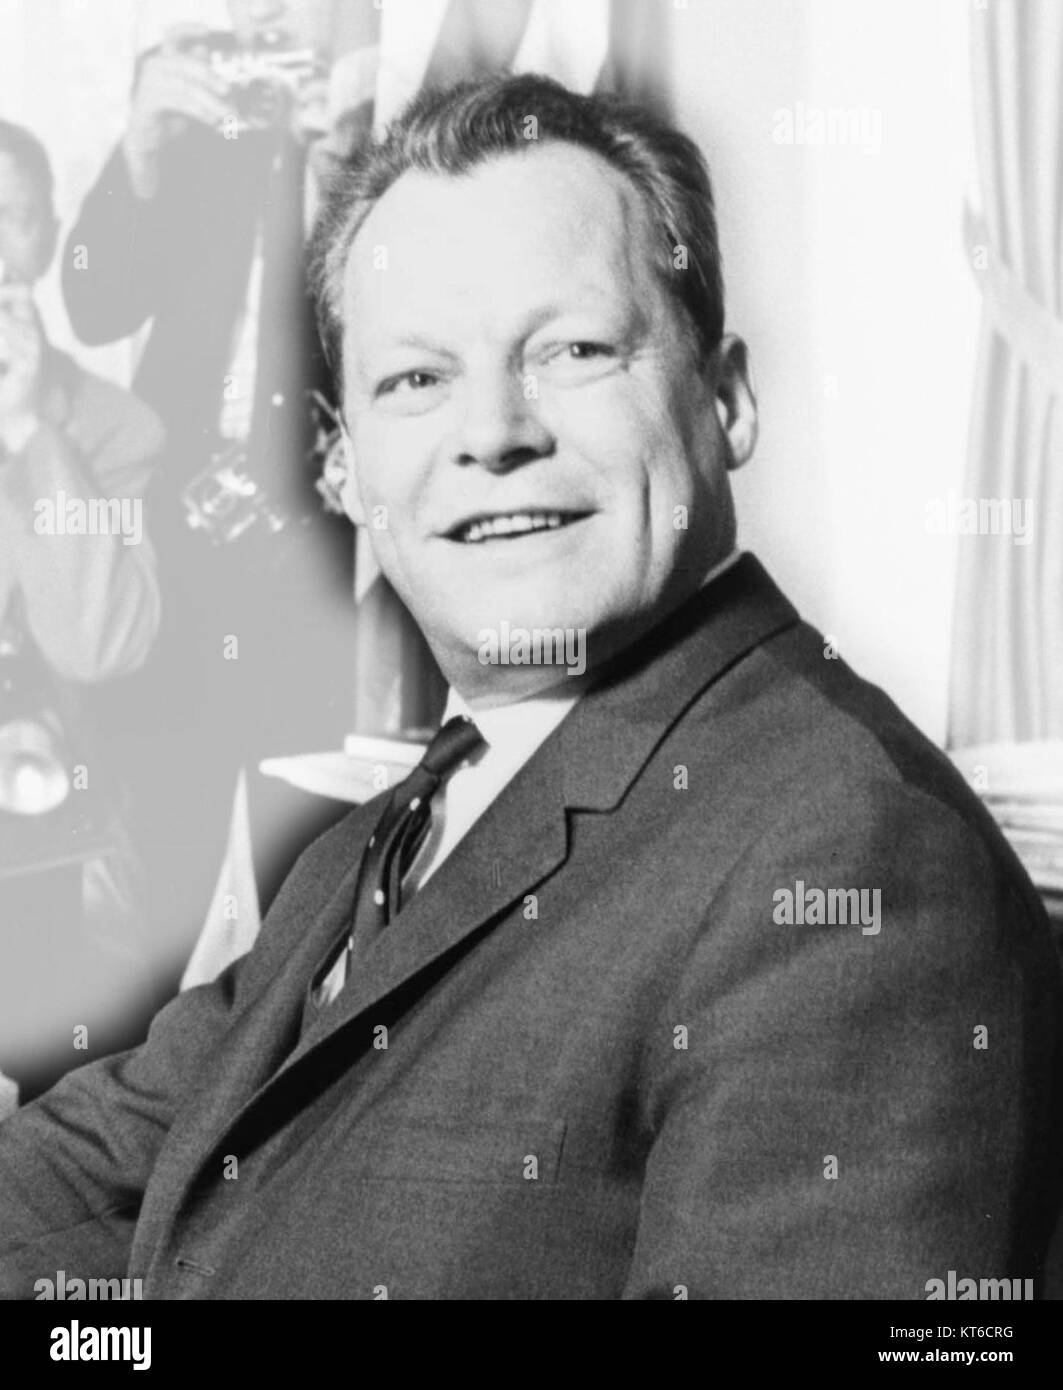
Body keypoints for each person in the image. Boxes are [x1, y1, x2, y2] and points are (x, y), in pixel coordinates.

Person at [1, 74, 1061, 1300]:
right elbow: (108, 1172)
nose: (492, 431)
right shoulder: (382, 832)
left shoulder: (850, 863)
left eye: (571, 350)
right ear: (346, 467)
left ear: (724, 400)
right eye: (416, 379)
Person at [60, 0, 359, 969]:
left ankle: (291, 1063)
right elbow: (92, 301)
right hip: (177, 538)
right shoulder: (197, 117)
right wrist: (142, 148)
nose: (261, 18)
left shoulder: (397, 114)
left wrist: (342, 179)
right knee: (156, 854)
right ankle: (135, 1059)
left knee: (312, 863)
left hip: (327, 548)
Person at [0, 119, 163, 1102]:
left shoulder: (114, 431)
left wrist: (28, 432)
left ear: (48, 242)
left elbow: (99, 645)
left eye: (10, 219)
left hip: (40, 860)